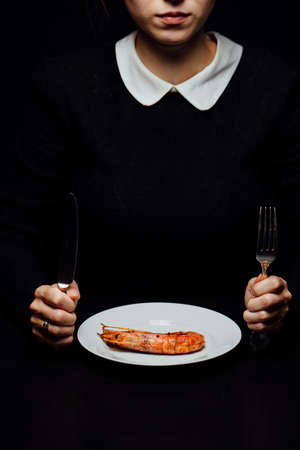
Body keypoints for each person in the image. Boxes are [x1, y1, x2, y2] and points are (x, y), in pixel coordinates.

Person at [1, 0, 298, 349]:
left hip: (246, 370)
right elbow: (14, 232)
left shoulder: (278, 86)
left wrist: (280, 302)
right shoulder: (65, 86)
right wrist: (41, 309)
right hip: (89, 364)